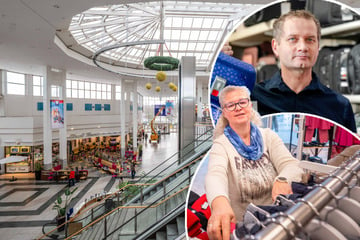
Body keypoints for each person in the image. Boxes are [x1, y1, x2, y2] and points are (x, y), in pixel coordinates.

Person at [205, 85, 304, 240]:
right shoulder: (221, 145)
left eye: (242, 102)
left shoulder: (268, 136)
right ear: (224, 112)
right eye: (231, 105)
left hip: (278, 219)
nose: (238, 108)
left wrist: (283, 179)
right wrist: (219, 204)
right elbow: (215, 175)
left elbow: (291, 165)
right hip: (247, 228)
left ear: (250, 105)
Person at [250, 10, 356, 132]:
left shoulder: (340, 106)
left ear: (317, 47)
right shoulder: (252, 98)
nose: (303, 47)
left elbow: (350, 150)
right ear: (275, 46)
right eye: (293, 39)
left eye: (310, 40)